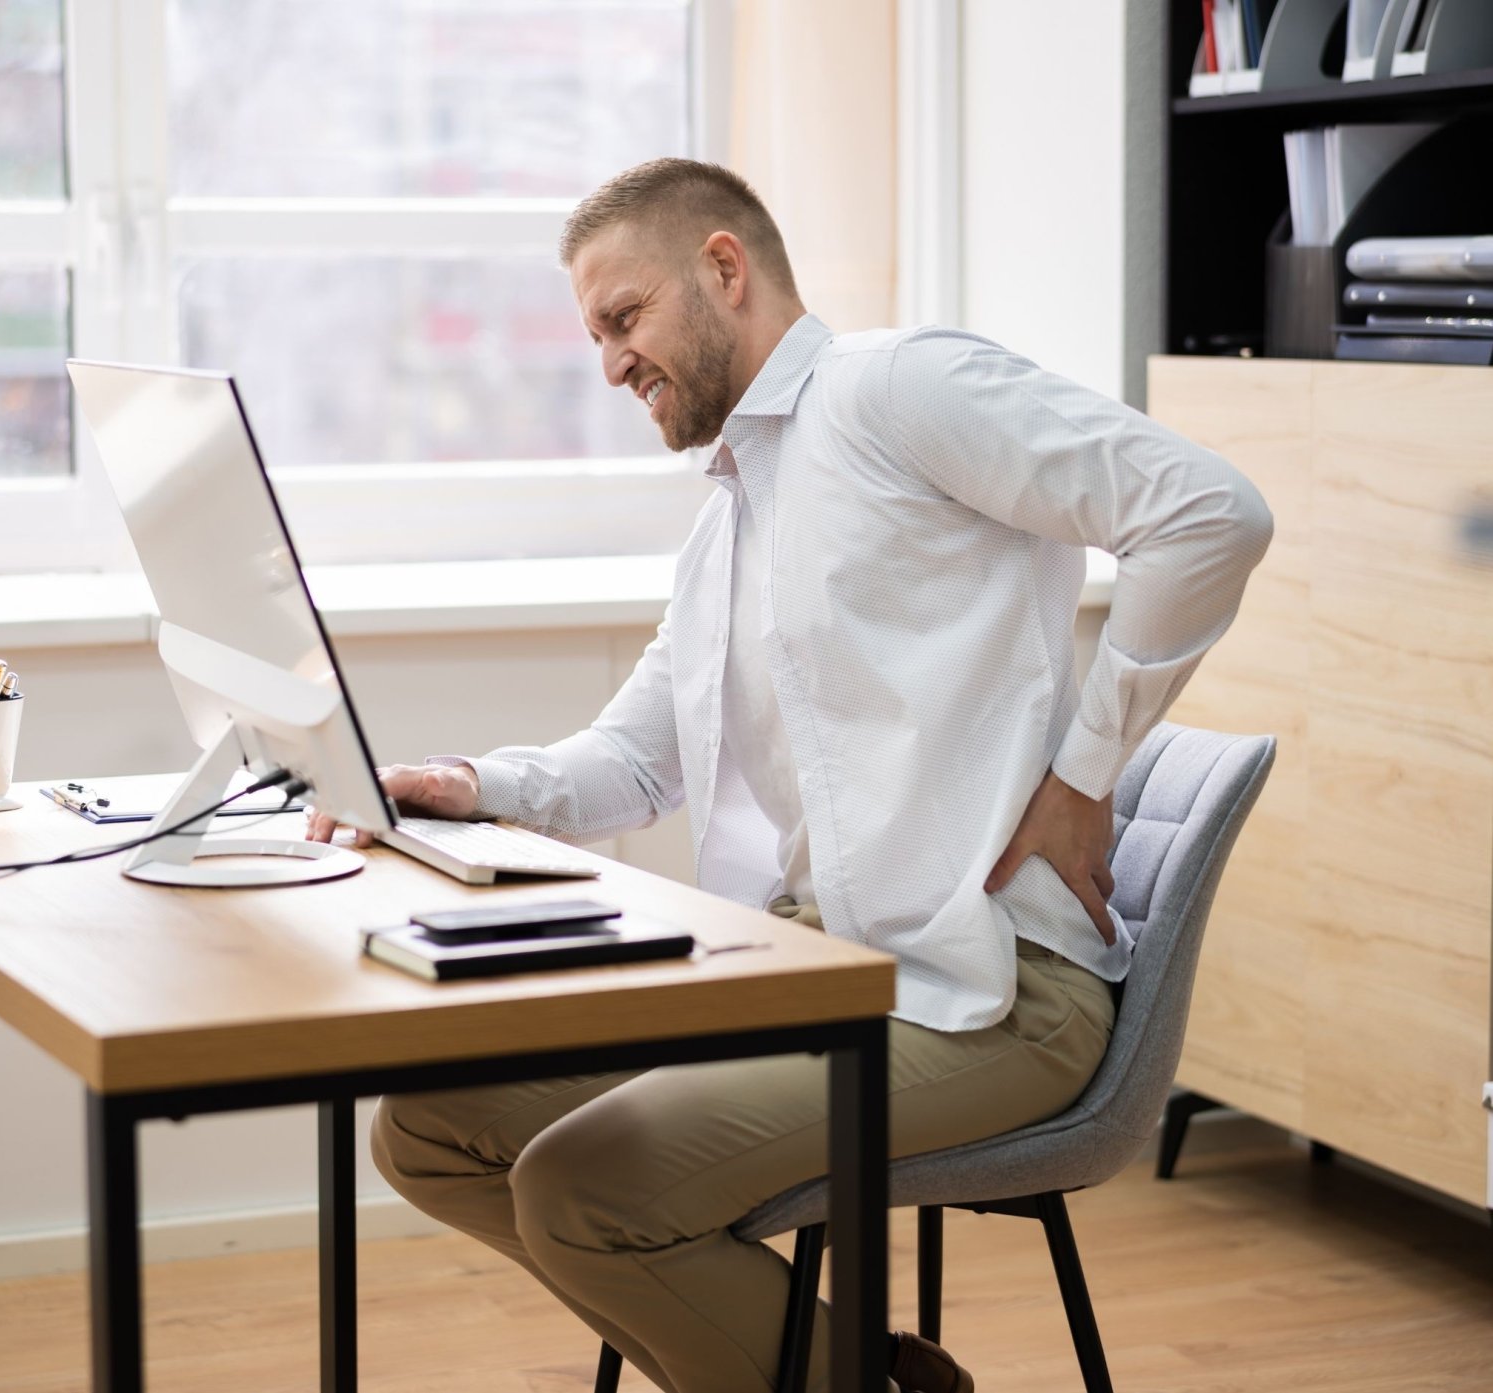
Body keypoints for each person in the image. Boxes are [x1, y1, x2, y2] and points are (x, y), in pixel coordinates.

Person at [305, 157, 1272, 1393]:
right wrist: (465, 782)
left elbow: (1207, 510)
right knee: (431, 1124)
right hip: (820, 977)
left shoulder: (899, 387)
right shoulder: (730, 519)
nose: (609, 364)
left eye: (623, 318)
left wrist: (1086, 775)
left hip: (988, 992)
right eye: (595, 334)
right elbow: (633, 759)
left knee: (582, 1185)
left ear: (724, 268)